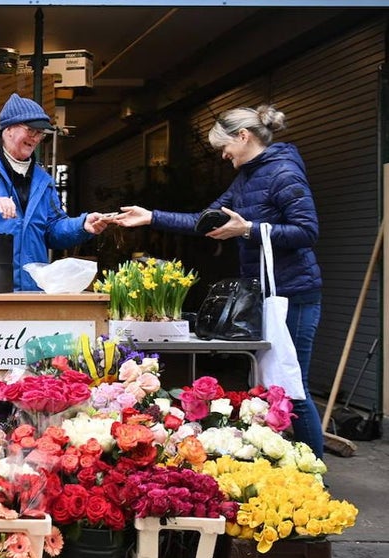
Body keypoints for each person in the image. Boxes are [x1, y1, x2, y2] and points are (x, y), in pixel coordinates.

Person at [114, 104, 325, 459]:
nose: (222, 154)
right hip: (265, 295)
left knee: (292, 389)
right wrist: (150, 217)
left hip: (294, 294)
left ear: (244, 137)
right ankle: (290, 468)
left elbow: (307, 231)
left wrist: (248, 230)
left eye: (224, 145)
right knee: (270, 390)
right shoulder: (246, 177)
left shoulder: (283, 172)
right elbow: (204, 221)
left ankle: (315, 476)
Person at [0, 92, 111, 291]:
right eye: (31, 130)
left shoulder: (43, 180)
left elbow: (52, 231)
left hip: (30, 293)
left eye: (40, 133)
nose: (35, 138)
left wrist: (82, 225)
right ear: (8, 129)